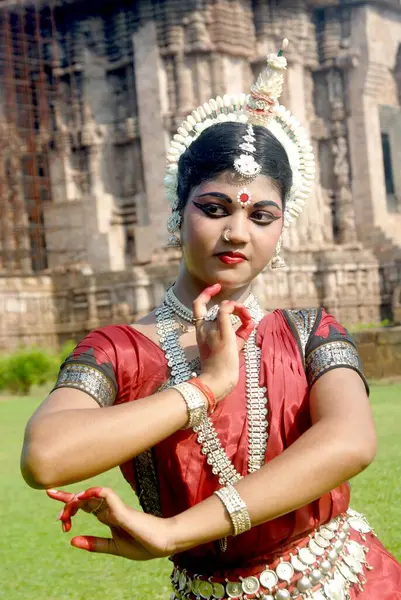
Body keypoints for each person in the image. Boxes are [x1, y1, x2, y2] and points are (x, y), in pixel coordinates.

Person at [21, 40, 401, 600]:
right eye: (215, 207)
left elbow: (350, 442)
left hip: (349, 584)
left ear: (281, 229)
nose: (238, 232)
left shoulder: (308, 331)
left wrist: (175, 531)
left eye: (261, 215)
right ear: (179, 211)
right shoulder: (120, 350)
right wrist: (205, 386)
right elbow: (46, 456)